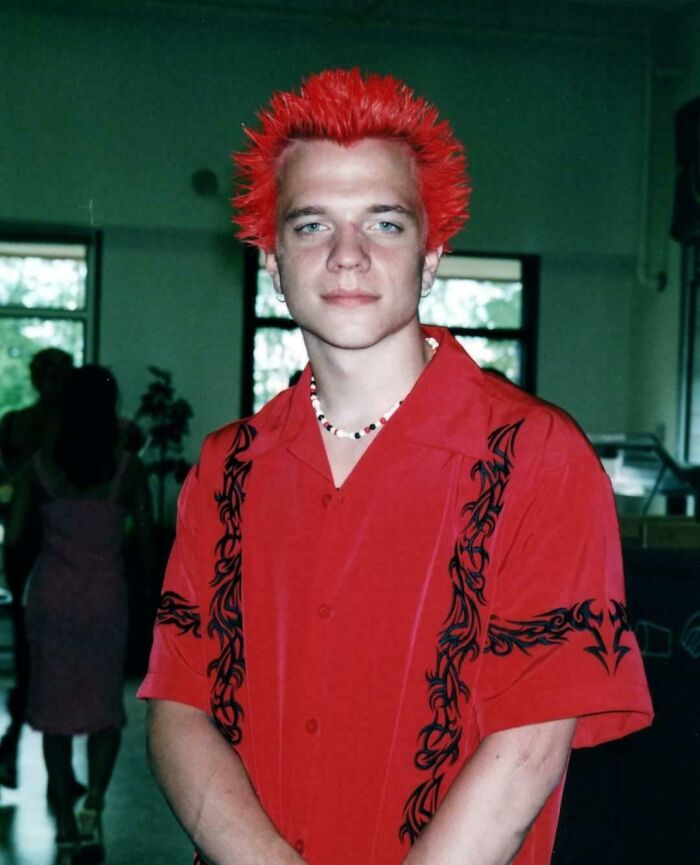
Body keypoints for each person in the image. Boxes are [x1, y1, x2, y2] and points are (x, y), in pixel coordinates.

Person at [139, 69, 653, 865]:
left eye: (384, 223)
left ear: (432, 254)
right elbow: (178, 706)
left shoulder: (536, 457)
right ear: (272, 260)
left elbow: (528, 747)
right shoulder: (225, 470)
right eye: (312, 225)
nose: (347, 256)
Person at [5, 365, 153, 864]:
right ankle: (93, 807)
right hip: (105, 600)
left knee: (53, 712)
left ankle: (65, 827)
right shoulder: (128, 470)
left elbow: (15, 536)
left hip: (52, 599)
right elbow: (147, 542)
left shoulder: (40, 468)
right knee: (104, 708)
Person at [0, 347, 75, 791]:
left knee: (59, 662)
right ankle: (16, 748)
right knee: (35, 658)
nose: (49, 380)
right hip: (29, 548)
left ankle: (53, 767)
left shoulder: (77, 426)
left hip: (65, 551)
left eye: (57, 372)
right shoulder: (15, 423)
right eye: (44, 372)